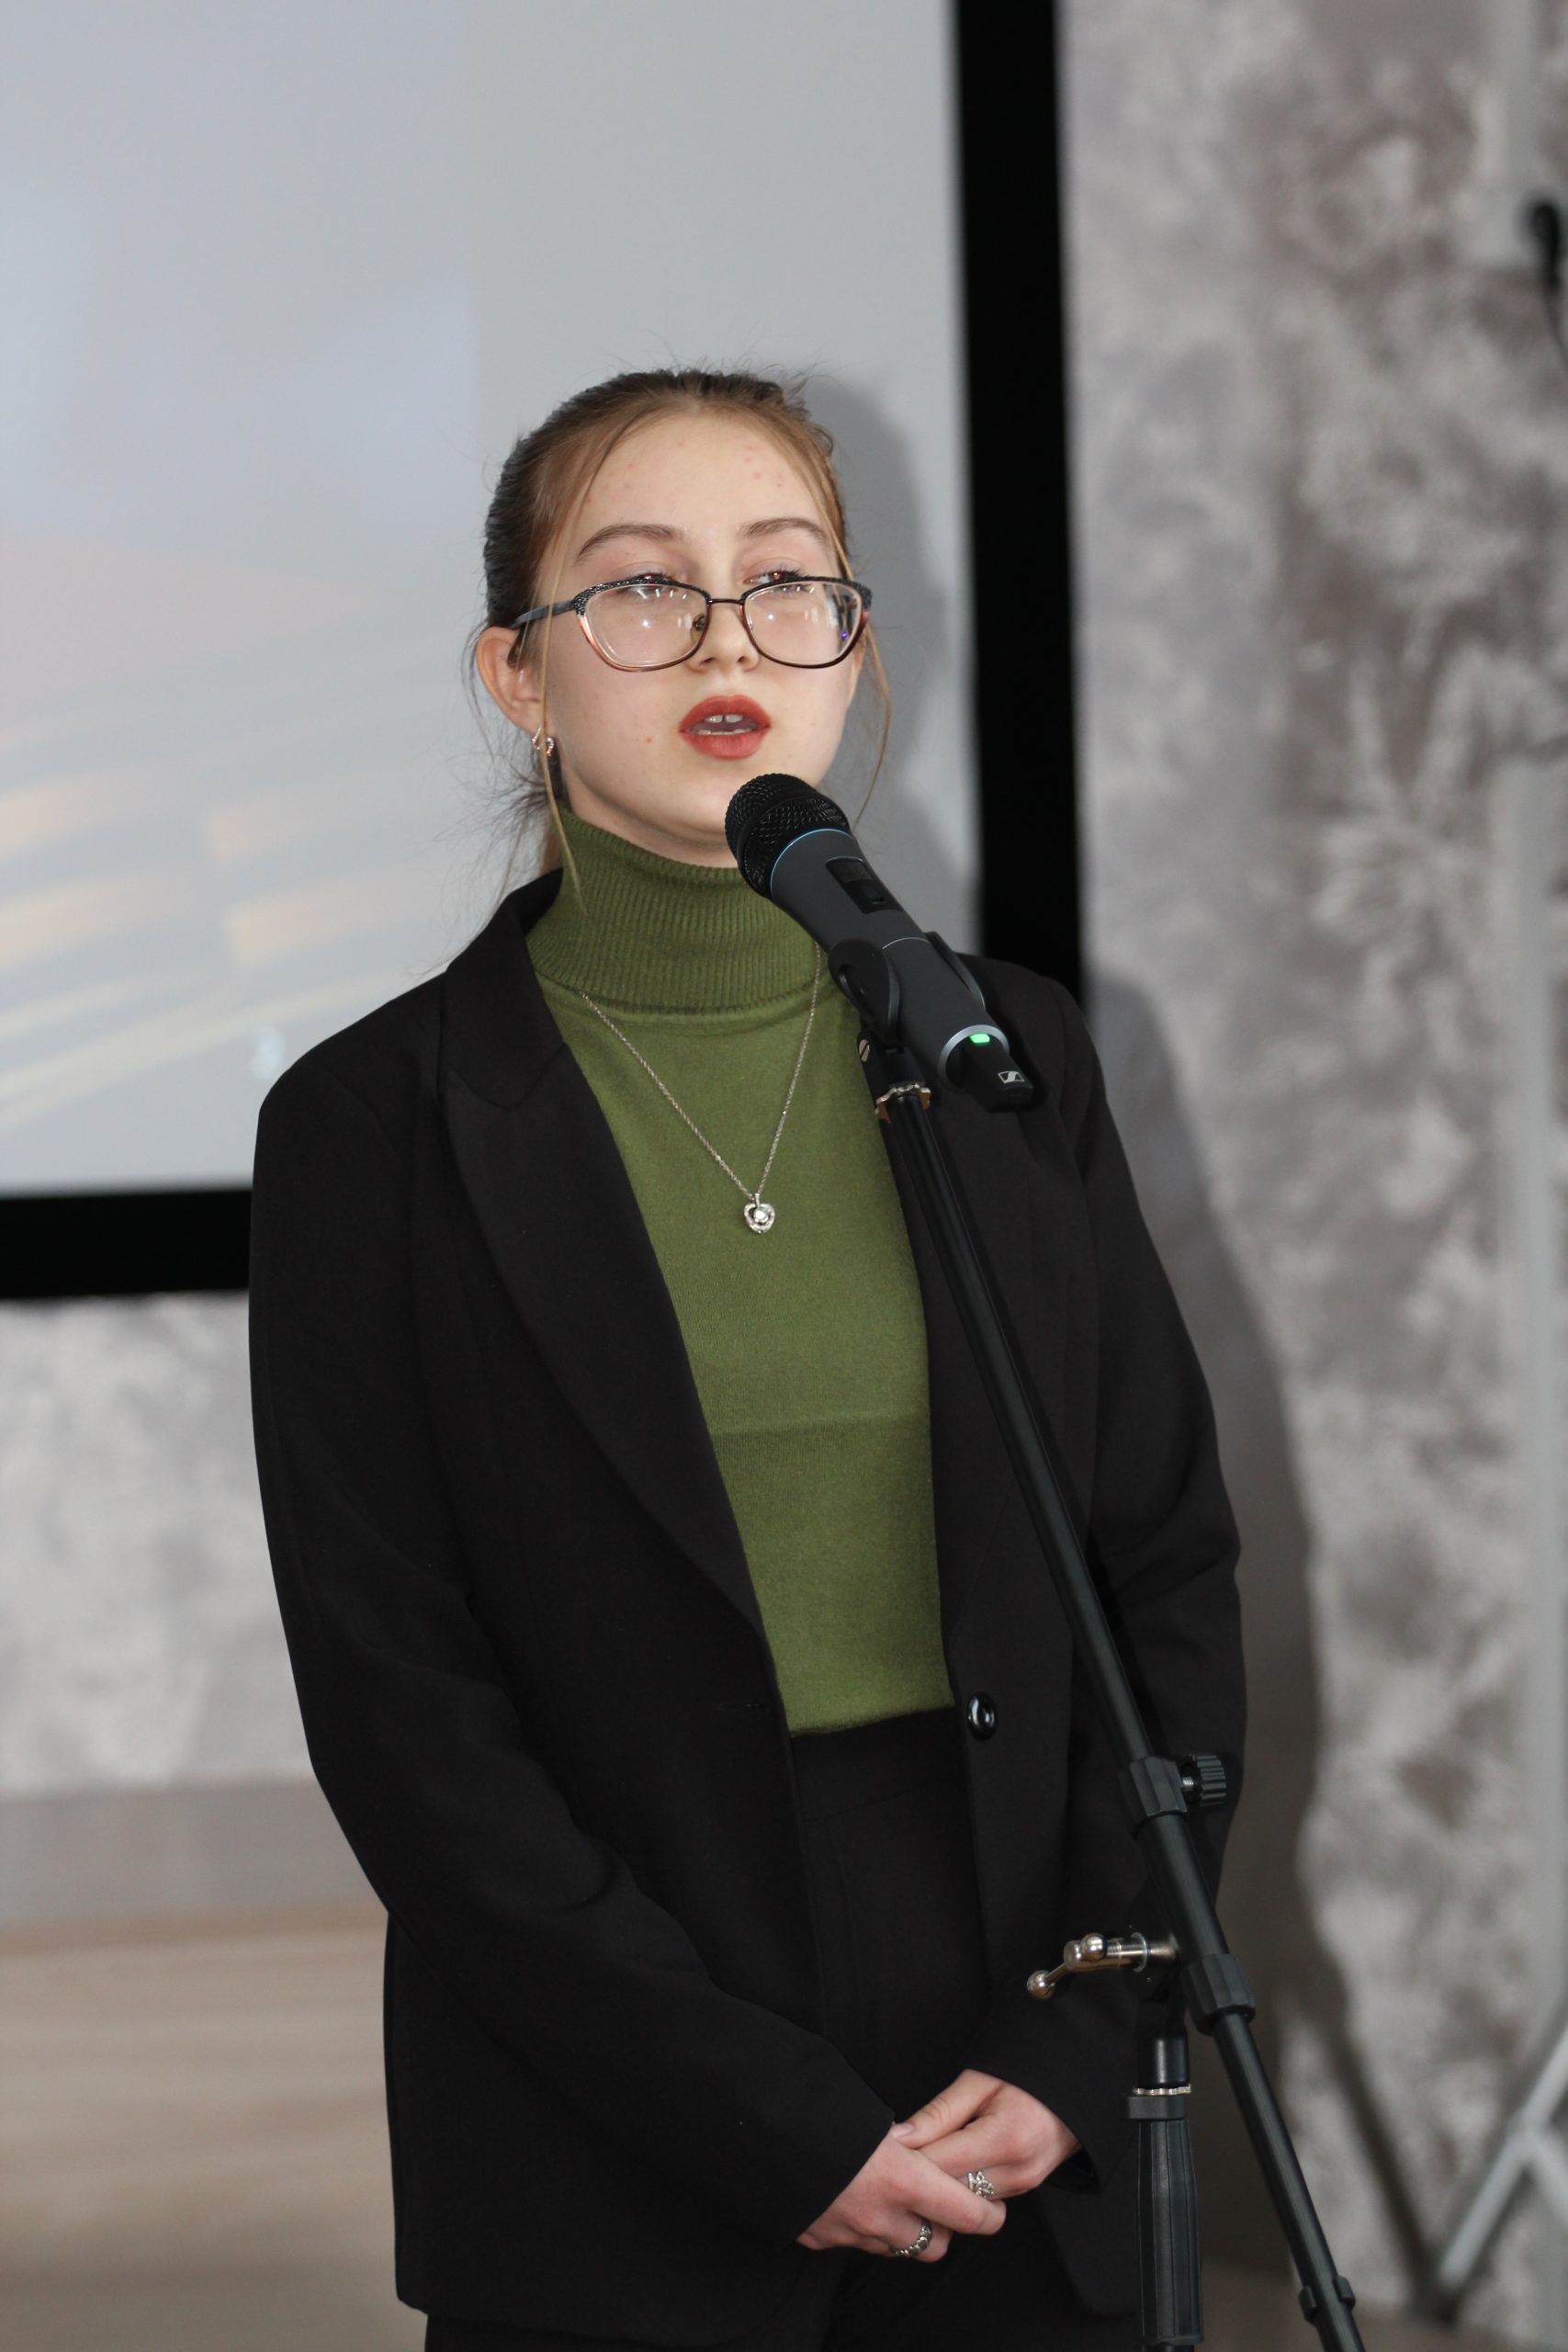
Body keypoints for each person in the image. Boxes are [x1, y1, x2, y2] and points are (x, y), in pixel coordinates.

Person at [247, 367, 1246, 2351]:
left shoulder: (1003, 1054)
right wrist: (753, 2116)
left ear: (852, 651)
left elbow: (1161, 1575)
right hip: (607, 2111)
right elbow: (403, 1711)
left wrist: (1077, 2029)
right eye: (642, 586)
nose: (726, 639)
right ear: (518, 673)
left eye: (786, 581)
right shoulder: (373, 1125)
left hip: (1016, 2083)